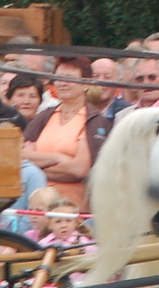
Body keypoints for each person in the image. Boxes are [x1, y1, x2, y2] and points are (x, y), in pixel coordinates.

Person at [22, 56, 101, 208]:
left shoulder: (92, 120)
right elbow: (20, 157)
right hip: (36, 210)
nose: (62, 83)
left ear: (86, 84)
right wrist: (59, 158)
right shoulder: (44, 116)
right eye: (58, 77)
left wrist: (35, 168)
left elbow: (79, 170)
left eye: (69, 78)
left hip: (72, 213)